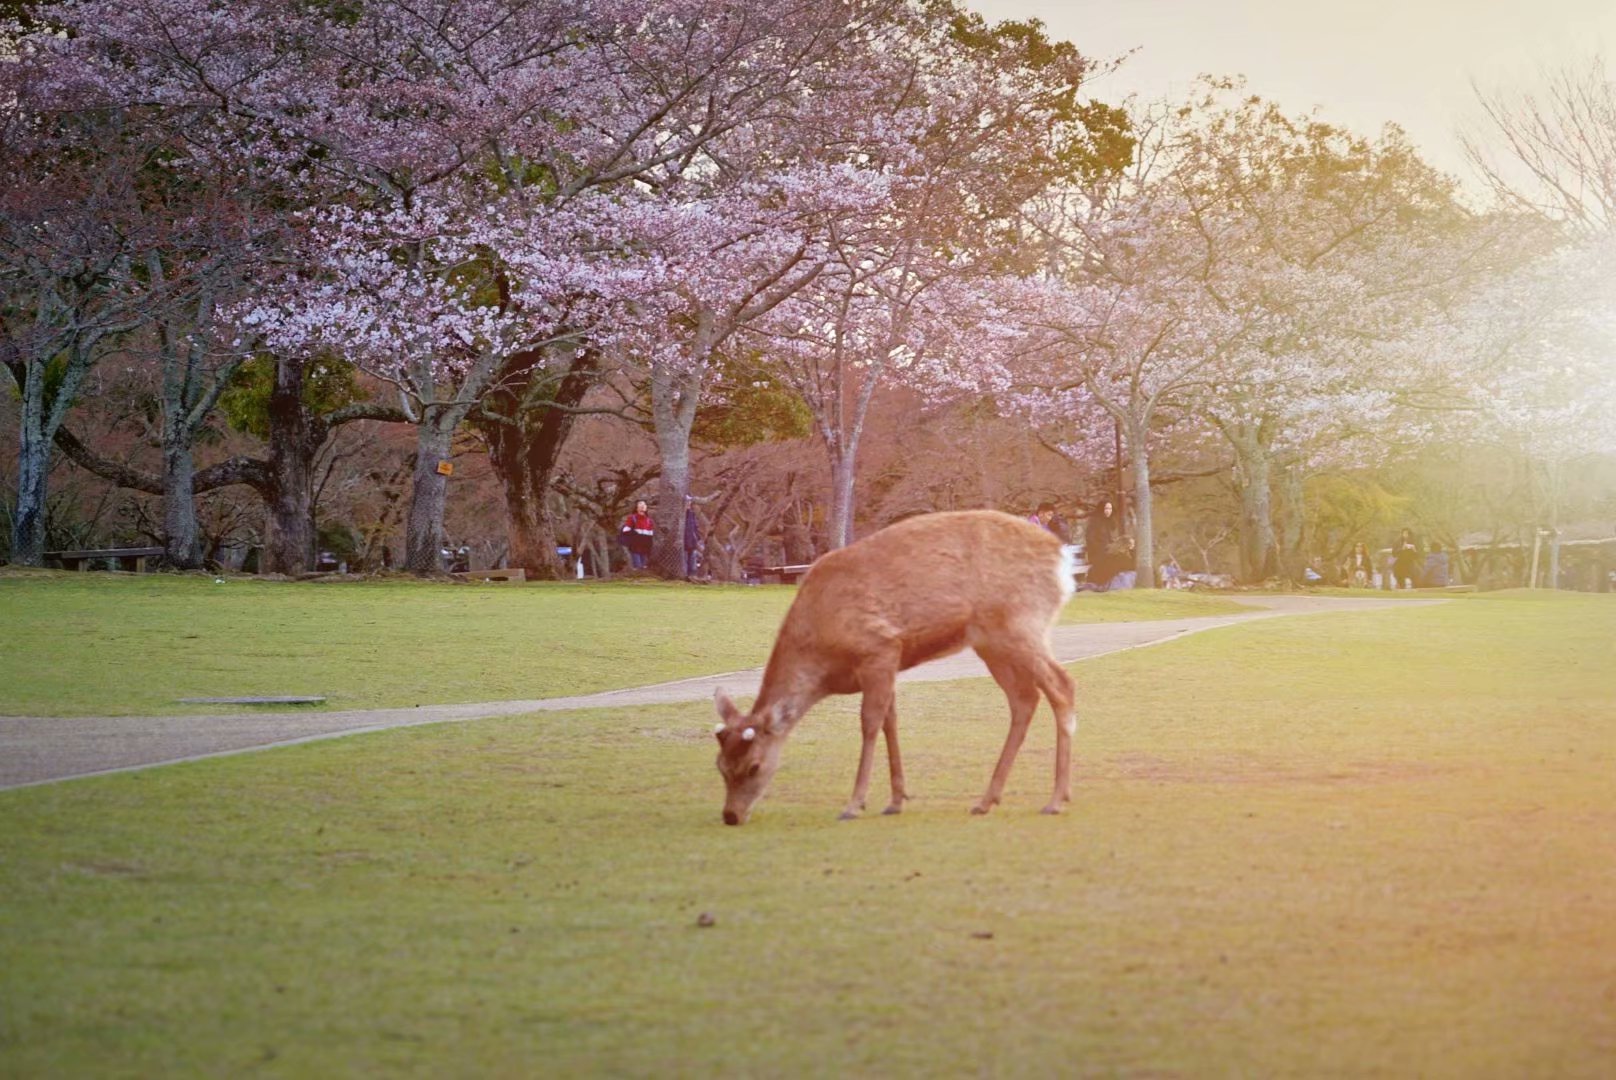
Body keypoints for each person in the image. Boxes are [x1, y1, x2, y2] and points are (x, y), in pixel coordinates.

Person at [1084, 497, 1131, 589]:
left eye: (1110, 509)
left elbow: (1110, 539)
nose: (1108, 511)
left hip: (1107, 551)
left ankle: (1114, 581)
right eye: (1106, 508)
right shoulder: (1094, 522)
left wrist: (1114, 546)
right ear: (1101, 509)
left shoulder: (1109, 522)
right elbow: (1090, 539)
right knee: (1115, 559)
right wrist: (1104, 548)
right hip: (1097, 553)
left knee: (1123, 556)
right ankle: (1104, 582)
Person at [620, 499, 655, 570]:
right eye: (640, 504)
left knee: (644, 563)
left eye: (644, 504)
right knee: (637, 564)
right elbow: (625, 530)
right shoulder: (632, 518)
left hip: (645, 542)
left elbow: (651, 533)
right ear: (636, 507)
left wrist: (650, 543)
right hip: (635, 542)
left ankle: (643, 575)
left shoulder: (649, 520)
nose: (642, 506)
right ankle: (637, 573)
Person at [683, 502, 702, 578]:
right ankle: (685, 575)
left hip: (692, 541)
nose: (688, 505)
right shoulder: (681, 515)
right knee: (685, 558)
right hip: (683, 541)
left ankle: (692, 575)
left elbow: (695, 527)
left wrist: (697, 537)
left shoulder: (692, 514)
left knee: (693, 557)